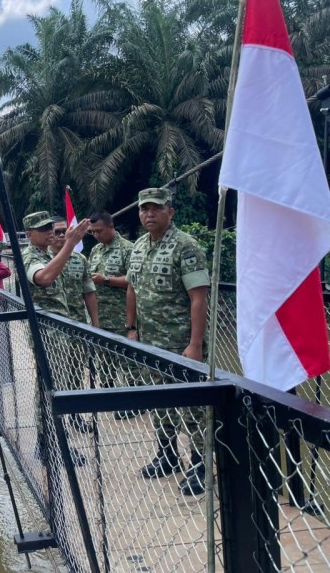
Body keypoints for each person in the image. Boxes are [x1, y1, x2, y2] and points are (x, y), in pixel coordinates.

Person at [125, 187, 210, 496]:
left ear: (170, 212)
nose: (149, 213)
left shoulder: (186, 247)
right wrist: (131, 328)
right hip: (151, 343)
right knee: (160, 403)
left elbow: (198, 298)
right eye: (144, 208)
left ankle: (201, 465)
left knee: (192, 408)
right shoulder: (138, 247)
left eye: (156, 208)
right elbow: (132, 289)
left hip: (180, 345)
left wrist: (196, 345)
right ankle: (168, 456)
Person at [22, 211, 90, 465]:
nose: (50, 232)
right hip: (47, 334)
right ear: (29, 235)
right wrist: (70, 244)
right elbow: (44, 278)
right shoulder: (31, 256)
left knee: (51, 387)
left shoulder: (44, 254)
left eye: (51, 227)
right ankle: (54, 444)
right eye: (43, 229)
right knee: (53, 389)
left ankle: (49, 443)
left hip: (55, 332)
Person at [88, 210, 139, 409]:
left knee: (129, 359)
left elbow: (134, 282)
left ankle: (134, 402)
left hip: (123, 315)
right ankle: (110, 396)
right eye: (92, 232)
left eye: (99, 231)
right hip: (102, 316)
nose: (96, 235)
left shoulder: (129, 249)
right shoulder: (95, 251)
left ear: (111, 226)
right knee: (106, 358)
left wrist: (106, 280)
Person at [49, 216, 99, 327]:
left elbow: (89, 292)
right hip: (52, 325)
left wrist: (95, 323)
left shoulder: (80, 259)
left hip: (78, 323)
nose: (61, 235)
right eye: (57, 232)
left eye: (64, 231)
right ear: (50, 234)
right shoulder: (42, 259)